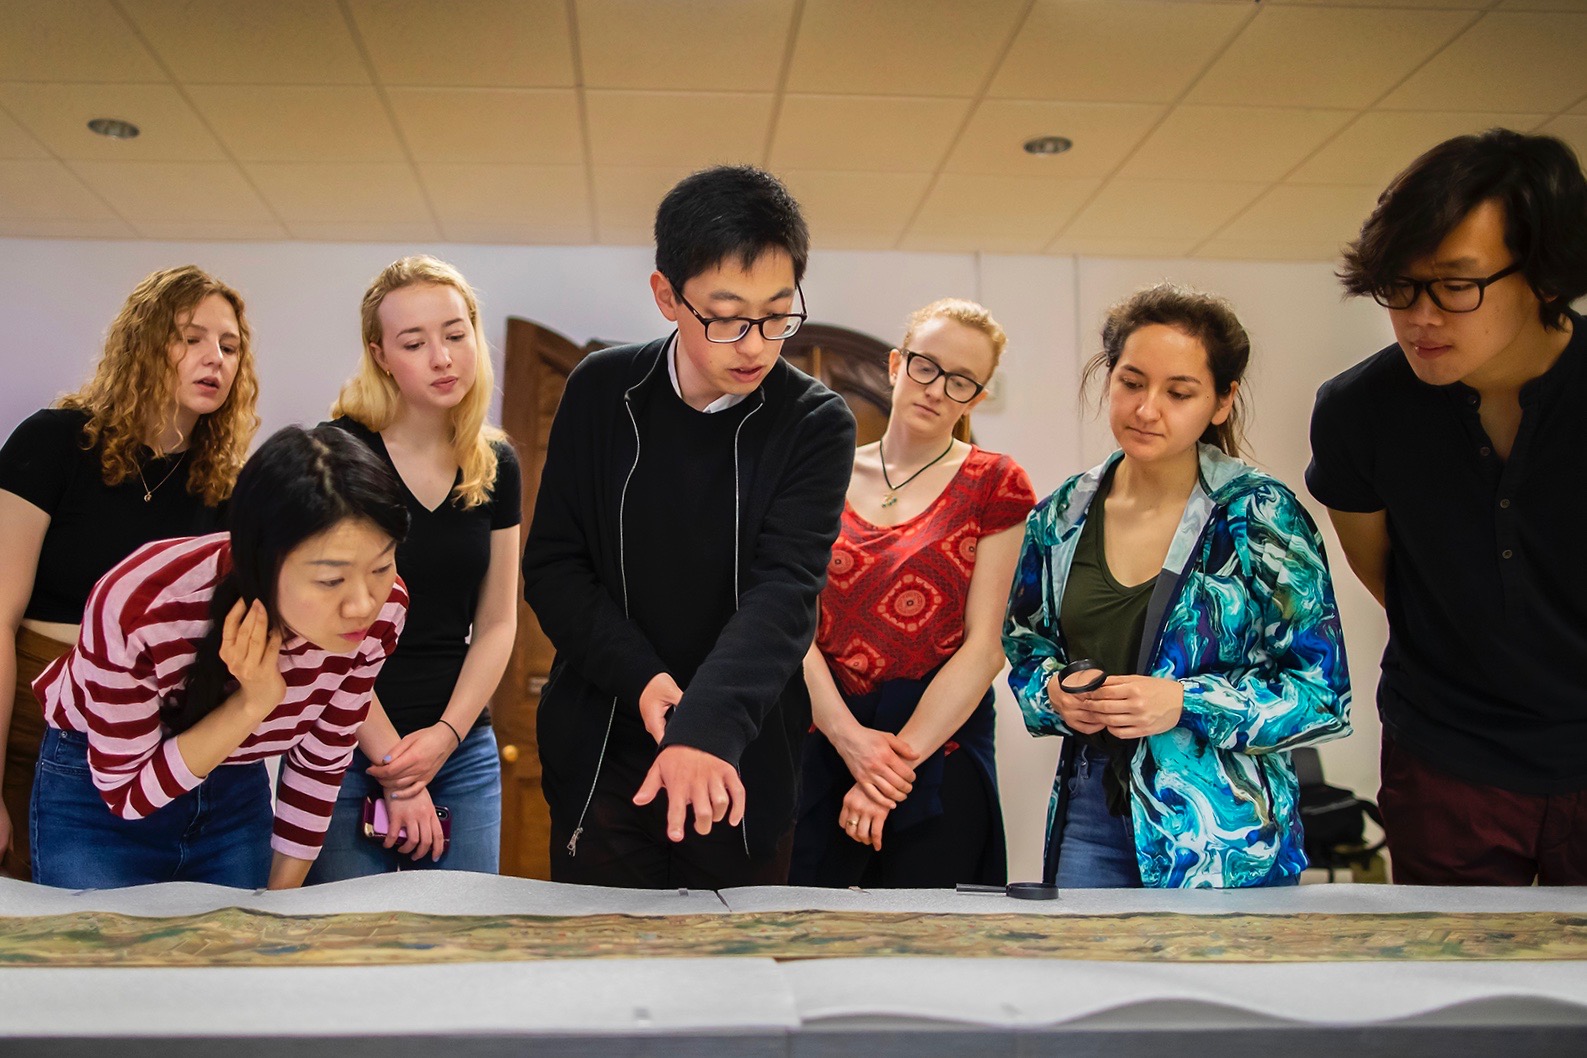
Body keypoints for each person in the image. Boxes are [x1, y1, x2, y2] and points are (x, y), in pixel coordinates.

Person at [522, 164, 856, 888]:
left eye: (777, 315)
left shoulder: (814, 423)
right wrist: (643, 681)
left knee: (732, 983)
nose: (757, 345)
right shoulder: (601, 391)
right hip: (606, 744)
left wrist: (703, 728)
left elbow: (785, 594)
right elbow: (554, 565)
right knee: (602, 975)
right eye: (728, 316)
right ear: (666, 296)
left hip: (736, 754)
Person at [1309, 129, 1587, 886]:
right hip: (1447, 756)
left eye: (1455, 286)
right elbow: (1389, 577)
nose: (1417, 317)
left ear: (1545, 275)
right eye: (1398, 287)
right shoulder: (1356, 412)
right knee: (1451, 985)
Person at [1004, 284, 1351, 889]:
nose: (1146, 409)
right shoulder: (1061, 514)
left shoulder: (1258, 516)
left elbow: (1322, 695)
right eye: (1132, 383)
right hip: (1091, 811)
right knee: (1087, 984)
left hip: (1222, 832)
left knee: (1212, 988)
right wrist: (1053, 692)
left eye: (1179, 392)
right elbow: (1026, 647)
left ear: (1222, 401)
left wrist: (1184, 701)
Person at [30, 425, 409, 890]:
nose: (363, 604)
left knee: (241, 953)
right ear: (262, 558)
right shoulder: (142, 604)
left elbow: (322, 759)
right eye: (331, 580)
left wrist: (274, 908)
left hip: (234, 781)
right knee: (102, 958)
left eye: (381, 567)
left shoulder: (386, 607)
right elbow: (127, 794)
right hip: (98, 790)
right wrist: (254, 702)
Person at [0, 265, 259, 880]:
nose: (213, 358)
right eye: (190, 338)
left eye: (229, 346)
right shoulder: (54, 443)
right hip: (38, 712)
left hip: (159, 728)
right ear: (143, 345)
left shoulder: (226, 482)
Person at [791, 298, 1034, 888]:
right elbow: (790, 625)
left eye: (960, 382)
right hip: (824, 743)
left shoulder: (996, 482)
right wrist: (852, 746)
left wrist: (888, 770)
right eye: (926, 367)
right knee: (807, 944)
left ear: (977, 398)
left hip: (939, 754)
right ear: (897, 365)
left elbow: (987, 646)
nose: (936, 390)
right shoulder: (823, 475)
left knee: (931, 955)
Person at [308, 255, 520, 880]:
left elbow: (499, 621)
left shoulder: (495, 462)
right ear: (380, 355)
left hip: (460, 748)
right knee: (347, 953)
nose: (443, 357)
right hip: (346, 743)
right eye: (414, 342)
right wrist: (397, 770)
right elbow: (320, 629)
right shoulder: (336, 452)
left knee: (462, 953)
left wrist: (445, 738)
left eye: (456, 335)